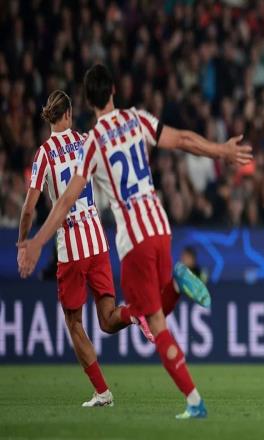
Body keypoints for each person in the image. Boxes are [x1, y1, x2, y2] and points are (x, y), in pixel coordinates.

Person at [18, 64, 253, 418]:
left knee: (147, 319)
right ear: (114, 90)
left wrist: (36, 242)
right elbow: (183, 140)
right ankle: (168, 304)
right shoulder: (136, 119)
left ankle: (191, 400)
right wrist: (221, 150)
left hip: (132, 238)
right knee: (144, 314)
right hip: (159, 225)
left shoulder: (92, 143)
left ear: (88, 101)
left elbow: (64, 200)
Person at [17, 90, 154, 408]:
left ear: (51, 117)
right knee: (108, 319)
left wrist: (24, 243)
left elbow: (28, 209)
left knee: (74, 323)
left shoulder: (44, 154)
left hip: (71, 248)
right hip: (97, 240)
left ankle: (103, 392)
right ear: (68, 114)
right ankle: (135, 312)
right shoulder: (84, 141)